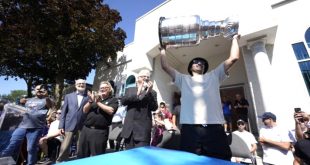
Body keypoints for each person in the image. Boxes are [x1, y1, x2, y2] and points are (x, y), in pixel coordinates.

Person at [160, 34, 240, 160]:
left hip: (214, 129)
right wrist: (163, 50)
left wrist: (235, 38)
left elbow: (234, 58)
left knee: (220, 161)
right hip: (190, 130)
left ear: (204, 68)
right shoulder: (182, 79)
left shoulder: (215, 75)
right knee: (189, 161)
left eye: (202, 62)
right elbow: (165, 66)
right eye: (195, 62)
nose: (199, 63)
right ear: (190, 67)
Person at [0, 84, 53, 165]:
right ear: (34, 90)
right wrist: (19, 101)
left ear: (45, 91)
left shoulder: (47, 100)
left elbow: (51, 106)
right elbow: (17, 106)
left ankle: (31, 163)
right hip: (22, 126)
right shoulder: (28, 100)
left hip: (36, 127)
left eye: (41, 89)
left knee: (31, 148)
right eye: (37, 89)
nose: (39, 91)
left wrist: (47, 97)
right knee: (13, 142)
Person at [77, 81, 118, 158]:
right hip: (86, 130)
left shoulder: (113, 100)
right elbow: (84, 110)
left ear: (110, 89)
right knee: (81, 155)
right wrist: (90, 101)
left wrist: (97, 102)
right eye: (101, 88)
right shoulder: (93, 99)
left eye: (105, 87)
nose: (103, 89)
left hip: (99, 132)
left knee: (97, 157)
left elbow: (111, 110)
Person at [120, 69, 158, 149]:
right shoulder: (130, 89)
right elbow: (123, 101)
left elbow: (154, 107)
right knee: (128, 157)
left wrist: (148, 92)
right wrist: (138, 92)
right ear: (138, 78)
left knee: (141, 156)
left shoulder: (153, 92)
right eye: (144, 76)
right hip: (129, 130)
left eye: (148, 77)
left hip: (143, 131)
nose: (146, 78)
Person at [56, 79, 89, 163]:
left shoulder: (88, 97)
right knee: (65, 146)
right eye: (79, 83)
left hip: (82, 125)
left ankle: (79, 162)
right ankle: (60, 161)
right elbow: (63, 112)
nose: (81, 85)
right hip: (69, 124)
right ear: (75, 85)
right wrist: (61, 126)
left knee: (80, 145)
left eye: (83, 84)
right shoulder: (68, 96)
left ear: (85, 85)